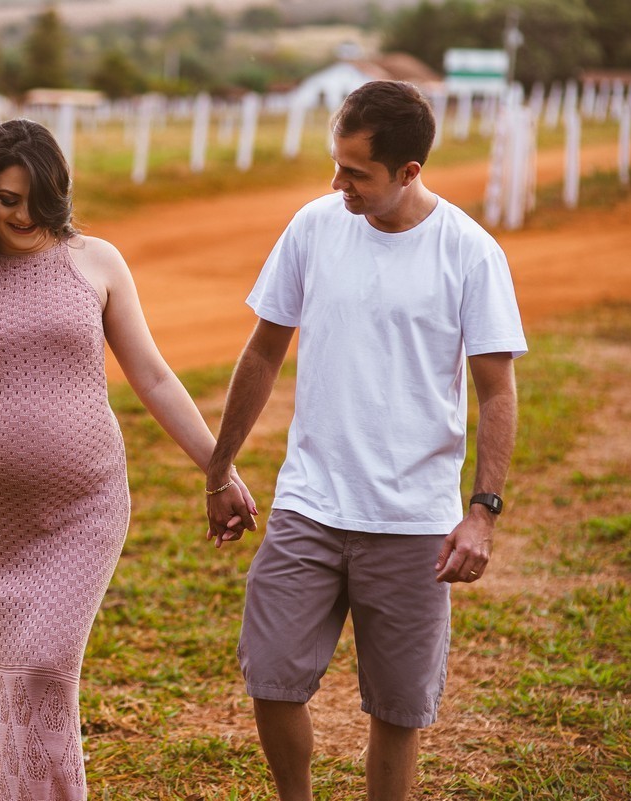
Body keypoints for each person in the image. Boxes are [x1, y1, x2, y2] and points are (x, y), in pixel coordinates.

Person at [204, 81, 527, 800]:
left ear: (409, 172)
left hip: (413, 522)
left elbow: (496, 391)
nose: (337, 183)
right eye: (336, 164)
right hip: (309, 506)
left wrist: (483, 511)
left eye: (356, 172)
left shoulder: (470, 252)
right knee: (272, 677)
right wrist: (218, 468)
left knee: (397, 709)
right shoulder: (313, 227)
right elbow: (262, 353)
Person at [0, 118, 254, 800]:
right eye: (8, 198)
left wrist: (217, 469)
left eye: (38, 199)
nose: (24, 214)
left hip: (84, 508)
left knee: (45, 663)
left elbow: (153, 376)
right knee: (15, 676)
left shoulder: (95, 262)